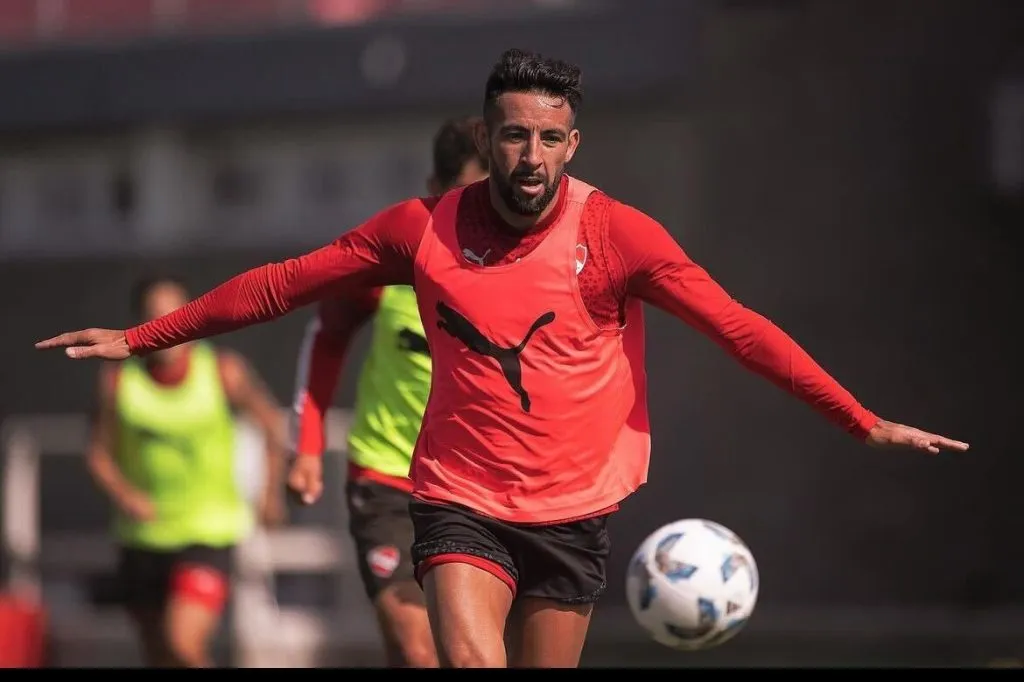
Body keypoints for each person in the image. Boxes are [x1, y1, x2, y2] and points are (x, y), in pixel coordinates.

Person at [39, 49, 969, 668]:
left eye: (549, 138)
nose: (530, 155)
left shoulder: (618, 236)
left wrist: (861, 419)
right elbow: (287, 285)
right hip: (456, 498)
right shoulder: (421, 229)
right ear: (489, 140)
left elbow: (737, 326)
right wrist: (141, 338)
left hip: (571, 513)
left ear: (574, 143)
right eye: (513, 135)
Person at [289, 116, 488, 668]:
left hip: (481, 490)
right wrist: (306, 445)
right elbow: (326, 337)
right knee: (416, 645)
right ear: (434, 190)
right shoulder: (393, 261)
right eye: (466, 197)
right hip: (387, 479)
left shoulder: (524, 275)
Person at [84, 275, 287, 667]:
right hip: (143, 535)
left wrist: (269, 493)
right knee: (159, 654)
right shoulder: (116, 381)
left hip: (208, 531)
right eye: (154, 317)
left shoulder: (223, 371)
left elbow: (271, 426)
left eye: (174, 315)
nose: (167, 328)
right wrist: (124, 494)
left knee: (183, 644)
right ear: (139, 324)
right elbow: (98, 453)